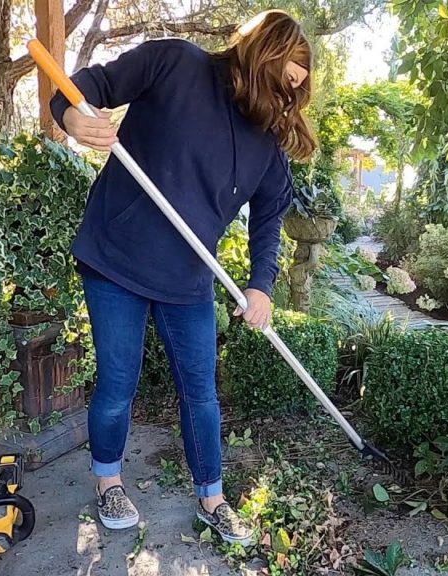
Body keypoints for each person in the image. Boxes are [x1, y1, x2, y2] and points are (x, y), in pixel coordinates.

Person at [49, 10, 317, 545]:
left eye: (297, 87)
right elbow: (86, 87)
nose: (289, 94)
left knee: (201, 393)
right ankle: (109, 482)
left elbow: (269, 220)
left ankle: (213, 498)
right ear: (263, 54)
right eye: (287, 77)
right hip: (117, 258)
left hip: (189, 276)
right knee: (118, 383)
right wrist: (72, 116)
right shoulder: (174, 63)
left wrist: (261, 285)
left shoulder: (266, 143)